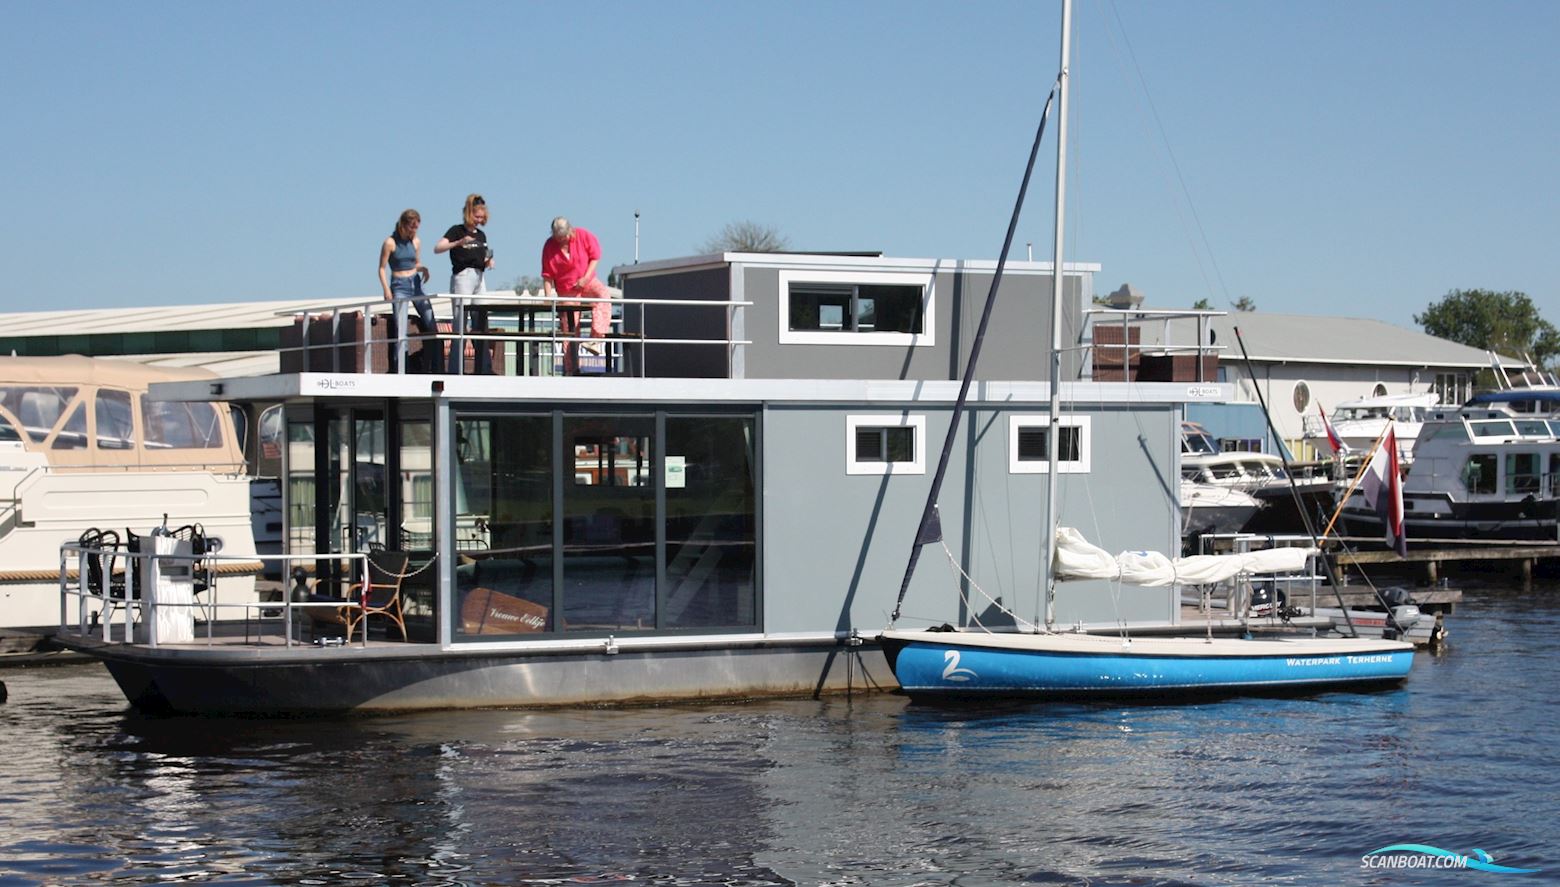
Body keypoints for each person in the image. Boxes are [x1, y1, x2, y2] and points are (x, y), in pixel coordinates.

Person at [540, 216, 614, 375]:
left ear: (570, 231)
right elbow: (547, 274)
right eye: (557, 238)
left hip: (587, 280)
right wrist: (547, 296)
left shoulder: (583, 235)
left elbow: (595, 256)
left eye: (564, 237)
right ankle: (571, 369)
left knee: (603, 295)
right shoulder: (549, 246)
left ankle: (595, 338)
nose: (561, 241)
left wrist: (586, 277)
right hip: (567, 289)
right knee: (570, 327)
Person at [435, 194, 497, 374]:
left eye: (481, 217)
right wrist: (458, 243)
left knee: (481, 320)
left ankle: (484, 367)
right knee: (460, 322)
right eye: (476, 216)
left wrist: (488, 261)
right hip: (463, 276)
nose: (479, 220)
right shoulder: (457, 230)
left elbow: (483, 254)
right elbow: (438, 248)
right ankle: (456, 368)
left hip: (479, 276)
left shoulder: (481, 235)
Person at [377, 209, 441, 373]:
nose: (414, 230)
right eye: (412, 227)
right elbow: (382, 268)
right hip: (399, 285)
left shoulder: (416, 241)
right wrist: (386, 289)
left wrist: (423, 268)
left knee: (430, 323)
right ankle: (402, 368)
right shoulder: (390, 243)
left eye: (416, 227)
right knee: (401, 328)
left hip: (416, 283)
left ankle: (437, 365)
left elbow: (415, 263)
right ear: (404, 225)